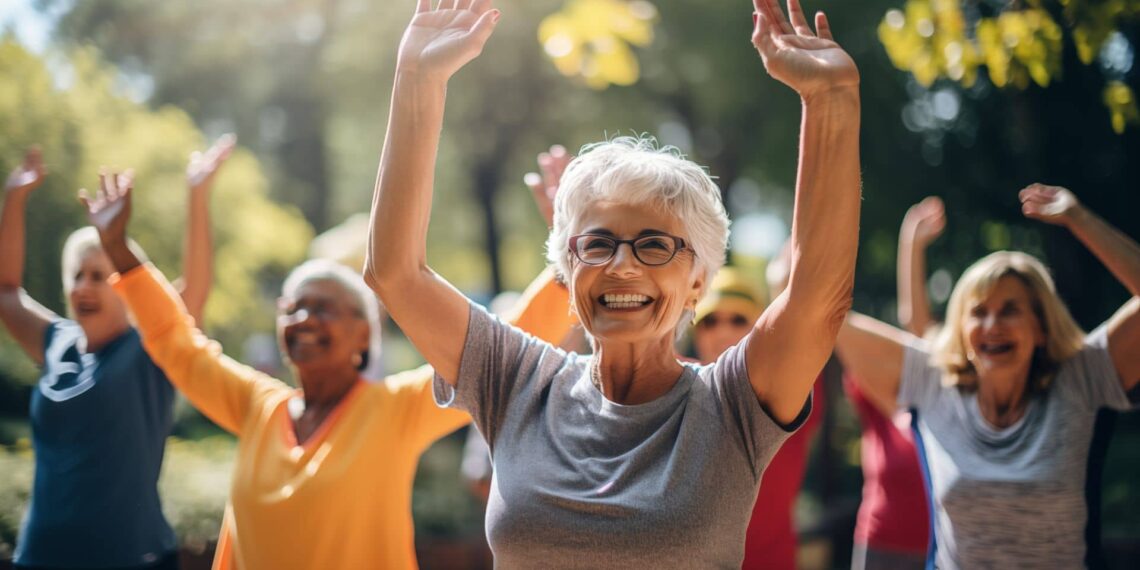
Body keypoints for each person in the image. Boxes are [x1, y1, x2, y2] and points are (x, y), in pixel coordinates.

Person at [365, 0, 861, 565]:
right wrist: (417, 77)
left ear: (698, 281)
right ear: (567, 269)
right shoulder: (516, 380)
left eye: (655, 245)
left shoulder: (731, 404)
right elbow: (395, 274)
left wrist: (830, 102)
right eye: (598, 244)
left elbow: (819, 297)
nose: (622, 265)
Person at [91, 172, 575, 569]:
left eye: (324, 309)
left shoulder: (396, 410)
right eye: (293, 309)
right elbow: (181, 348)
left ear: (364, 334)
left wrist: (567, 257)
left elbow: (494, 351)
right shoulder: (258, 405)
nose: (304, 320)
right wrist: (118, 249)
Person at [836, 183, 1140, 568]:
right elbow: (829, 319)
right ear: (962, 331)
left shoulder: (1085, 377)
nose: (992, 324)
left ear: (1042, 327)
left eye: (1010, 310)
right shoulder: (935, 383)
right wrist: (910, 245)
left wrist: (1078, 219)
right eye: (979, 312)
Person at [0, 137, 232, 569]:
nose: (85, 286)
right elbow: (7, 291)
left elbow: (194, 294)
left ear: (127, 290)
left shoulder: (149, 346)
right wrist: (13, 200)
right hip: (40, 557)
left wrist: (197, 194)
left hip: (132, 558)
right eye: (78, 276)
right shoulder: (56, 342)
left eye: (99, 276)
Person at [691, 266, 825, 570]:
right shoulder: (673, 388)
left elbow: (801, 329)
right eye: (710, 320)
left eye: (738, 319)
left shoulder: (787, 389)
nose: (722, 331)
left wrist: (783, 283)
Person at [843, 197, 940, 569]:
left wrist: (912, 245)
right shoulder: (878, 399)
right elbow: (847, 339)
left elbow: (918, 329)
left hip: (940, 546)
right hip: (880, 546)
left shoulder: (946, 395)